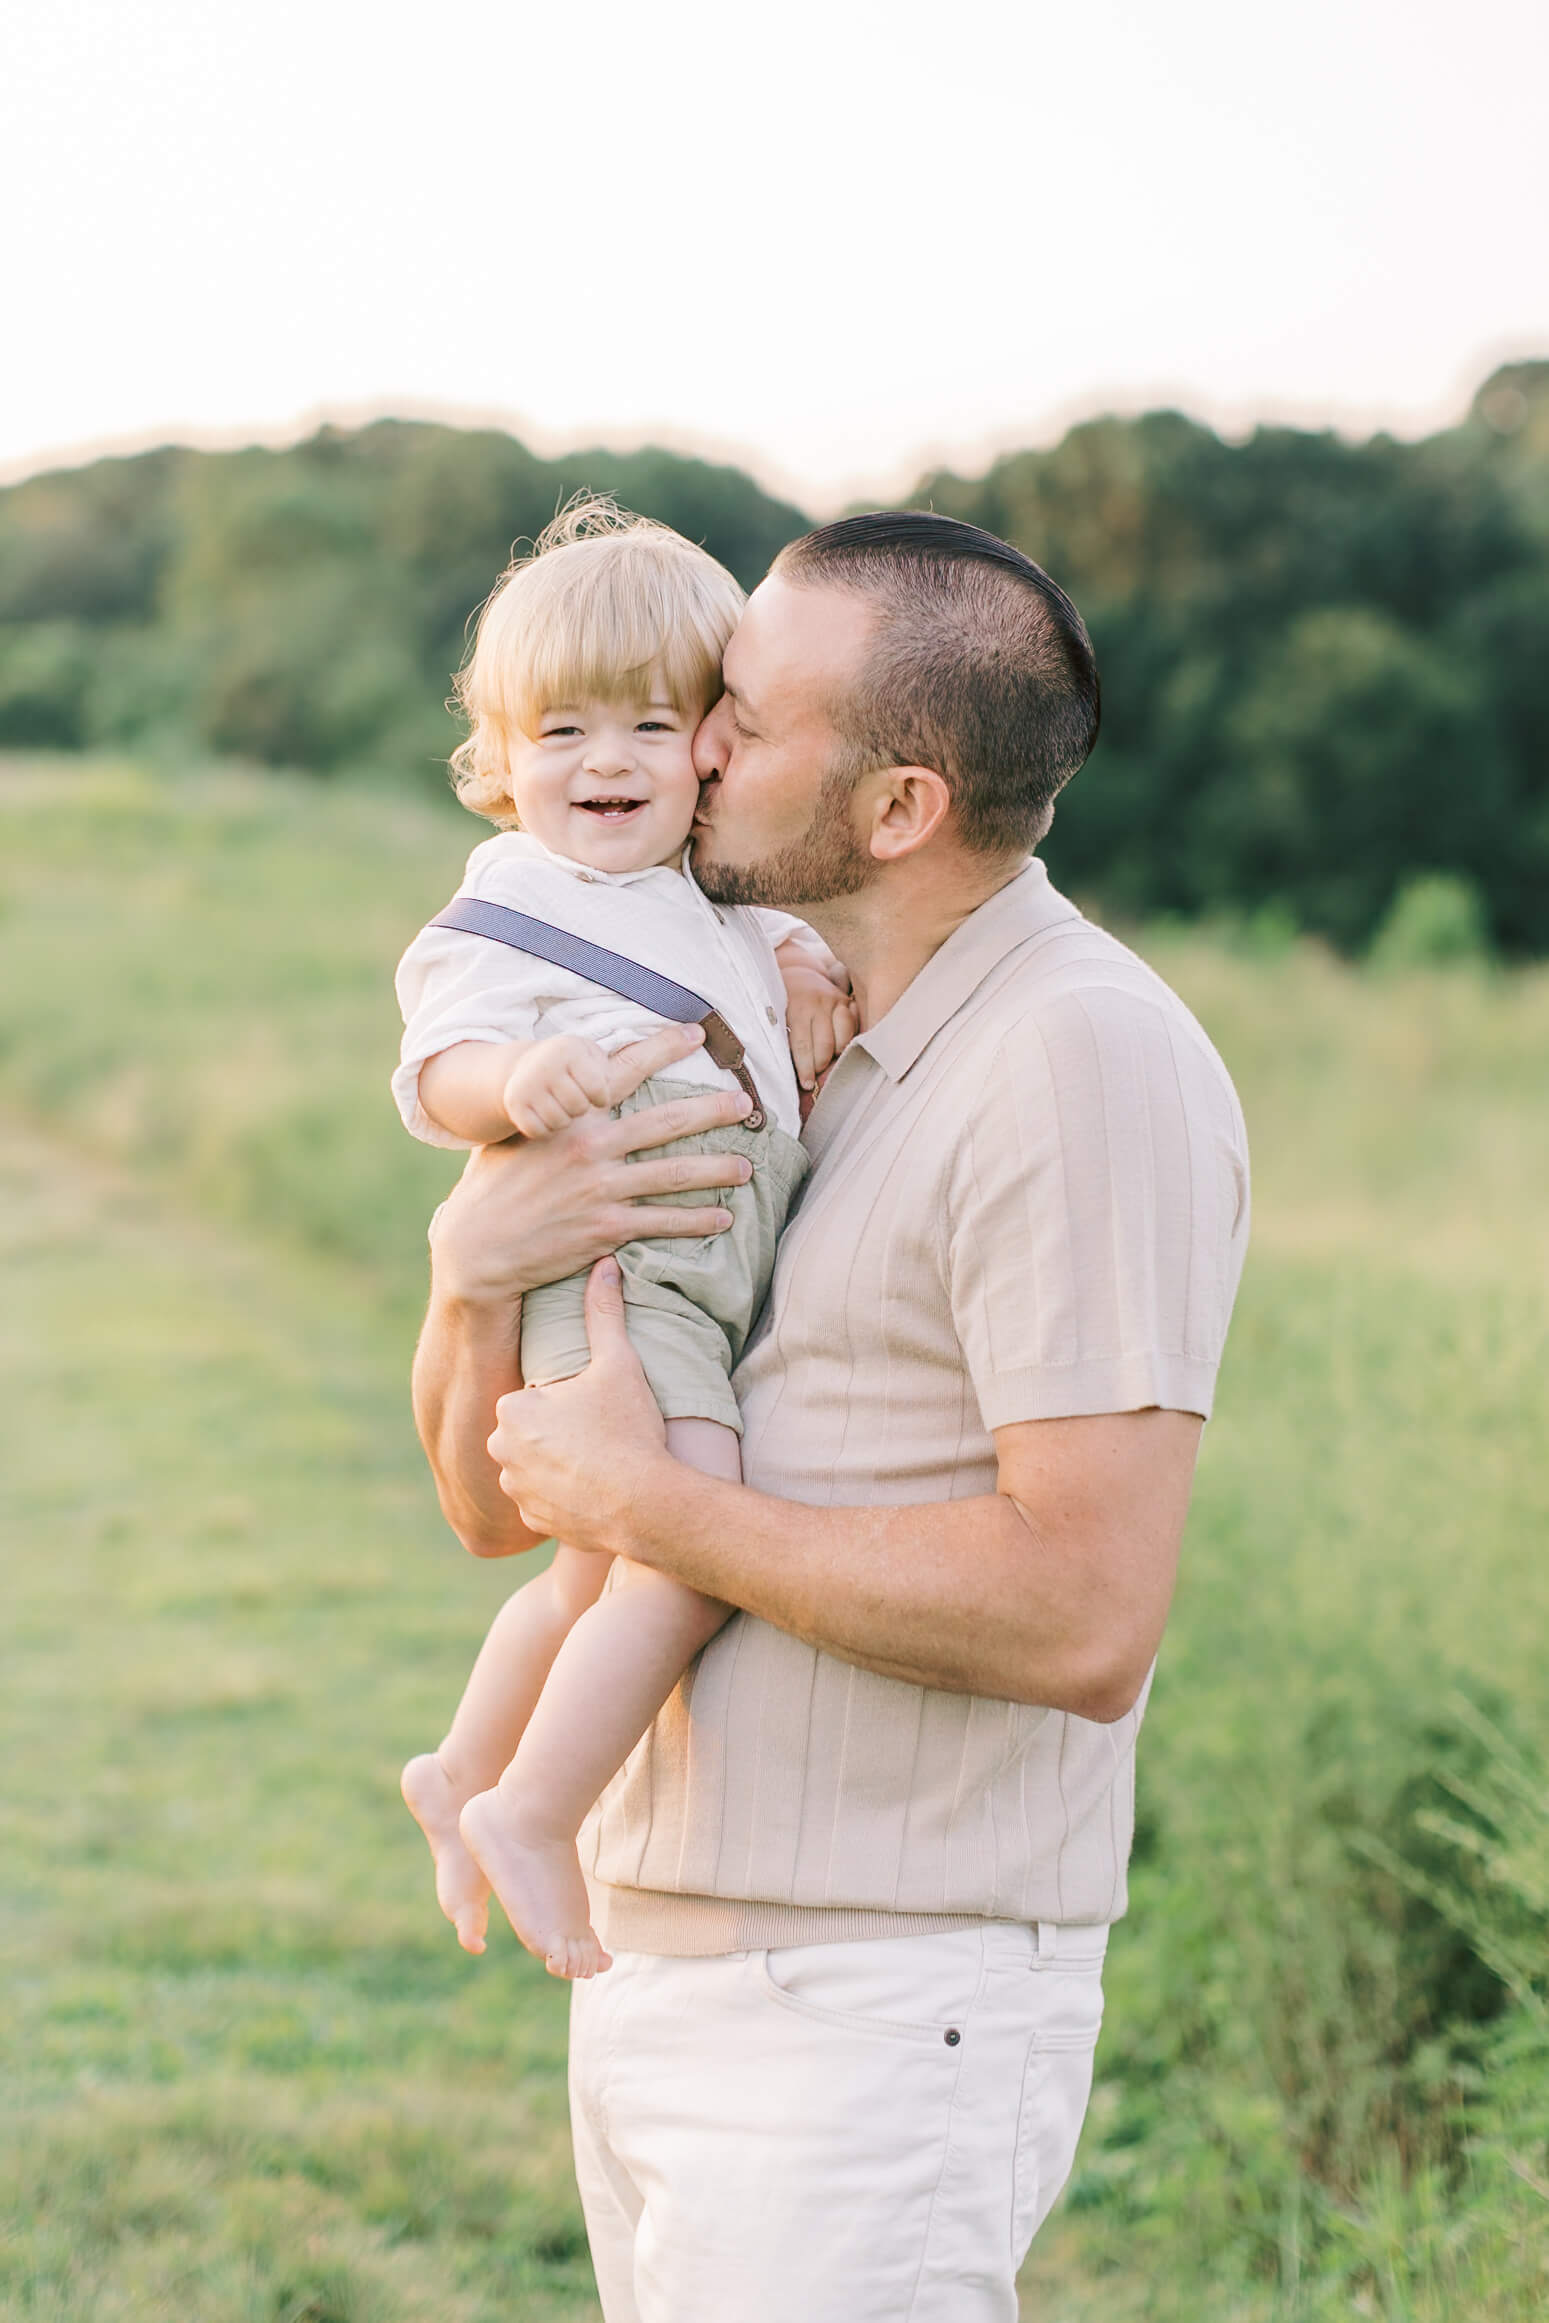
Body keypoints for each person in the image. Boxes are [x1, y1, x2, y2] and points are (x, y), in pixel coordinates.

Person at [413, 511, 1252, 2322]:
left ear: (894, 810)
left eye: (739, 717)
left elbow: (1086, 1615)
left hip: (873, 2006)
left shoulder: (1074, 1056)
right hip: (661, 1963)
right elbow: (503, 1514)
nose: (687, 745)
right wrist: (474, 1268)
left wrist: (664, 1510)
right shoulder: (782, 1039)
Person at [394, 501, 856, 1979]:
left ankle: (465, 1766)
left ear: (713, 744)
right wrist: (508, 1089)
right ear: (500, 759)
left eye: (650, 726)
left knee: (592, 1580)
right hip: (618, 1272)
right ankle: (537, 1808)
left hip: (697, 1275)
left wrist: (799, 960)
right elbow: (435, 1059)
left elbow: (747, 956)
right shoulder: (514, 902)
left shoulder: (708, 904)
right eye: (562, 733)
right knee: (687, 1533)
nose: (604, 764)